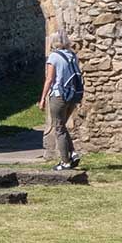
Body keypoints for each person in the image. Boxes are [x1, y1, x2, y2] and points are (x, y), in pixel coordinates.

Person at [39, 32, 83, 170]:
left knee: (58, 128)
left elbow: (49, 79)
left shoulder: (54, 56)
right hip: (72, 95)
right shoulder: (72, 55)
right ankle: (73, 153)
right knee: (62, 126)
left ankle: (65, 161)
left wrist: (42, 98)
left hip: (59, 95)